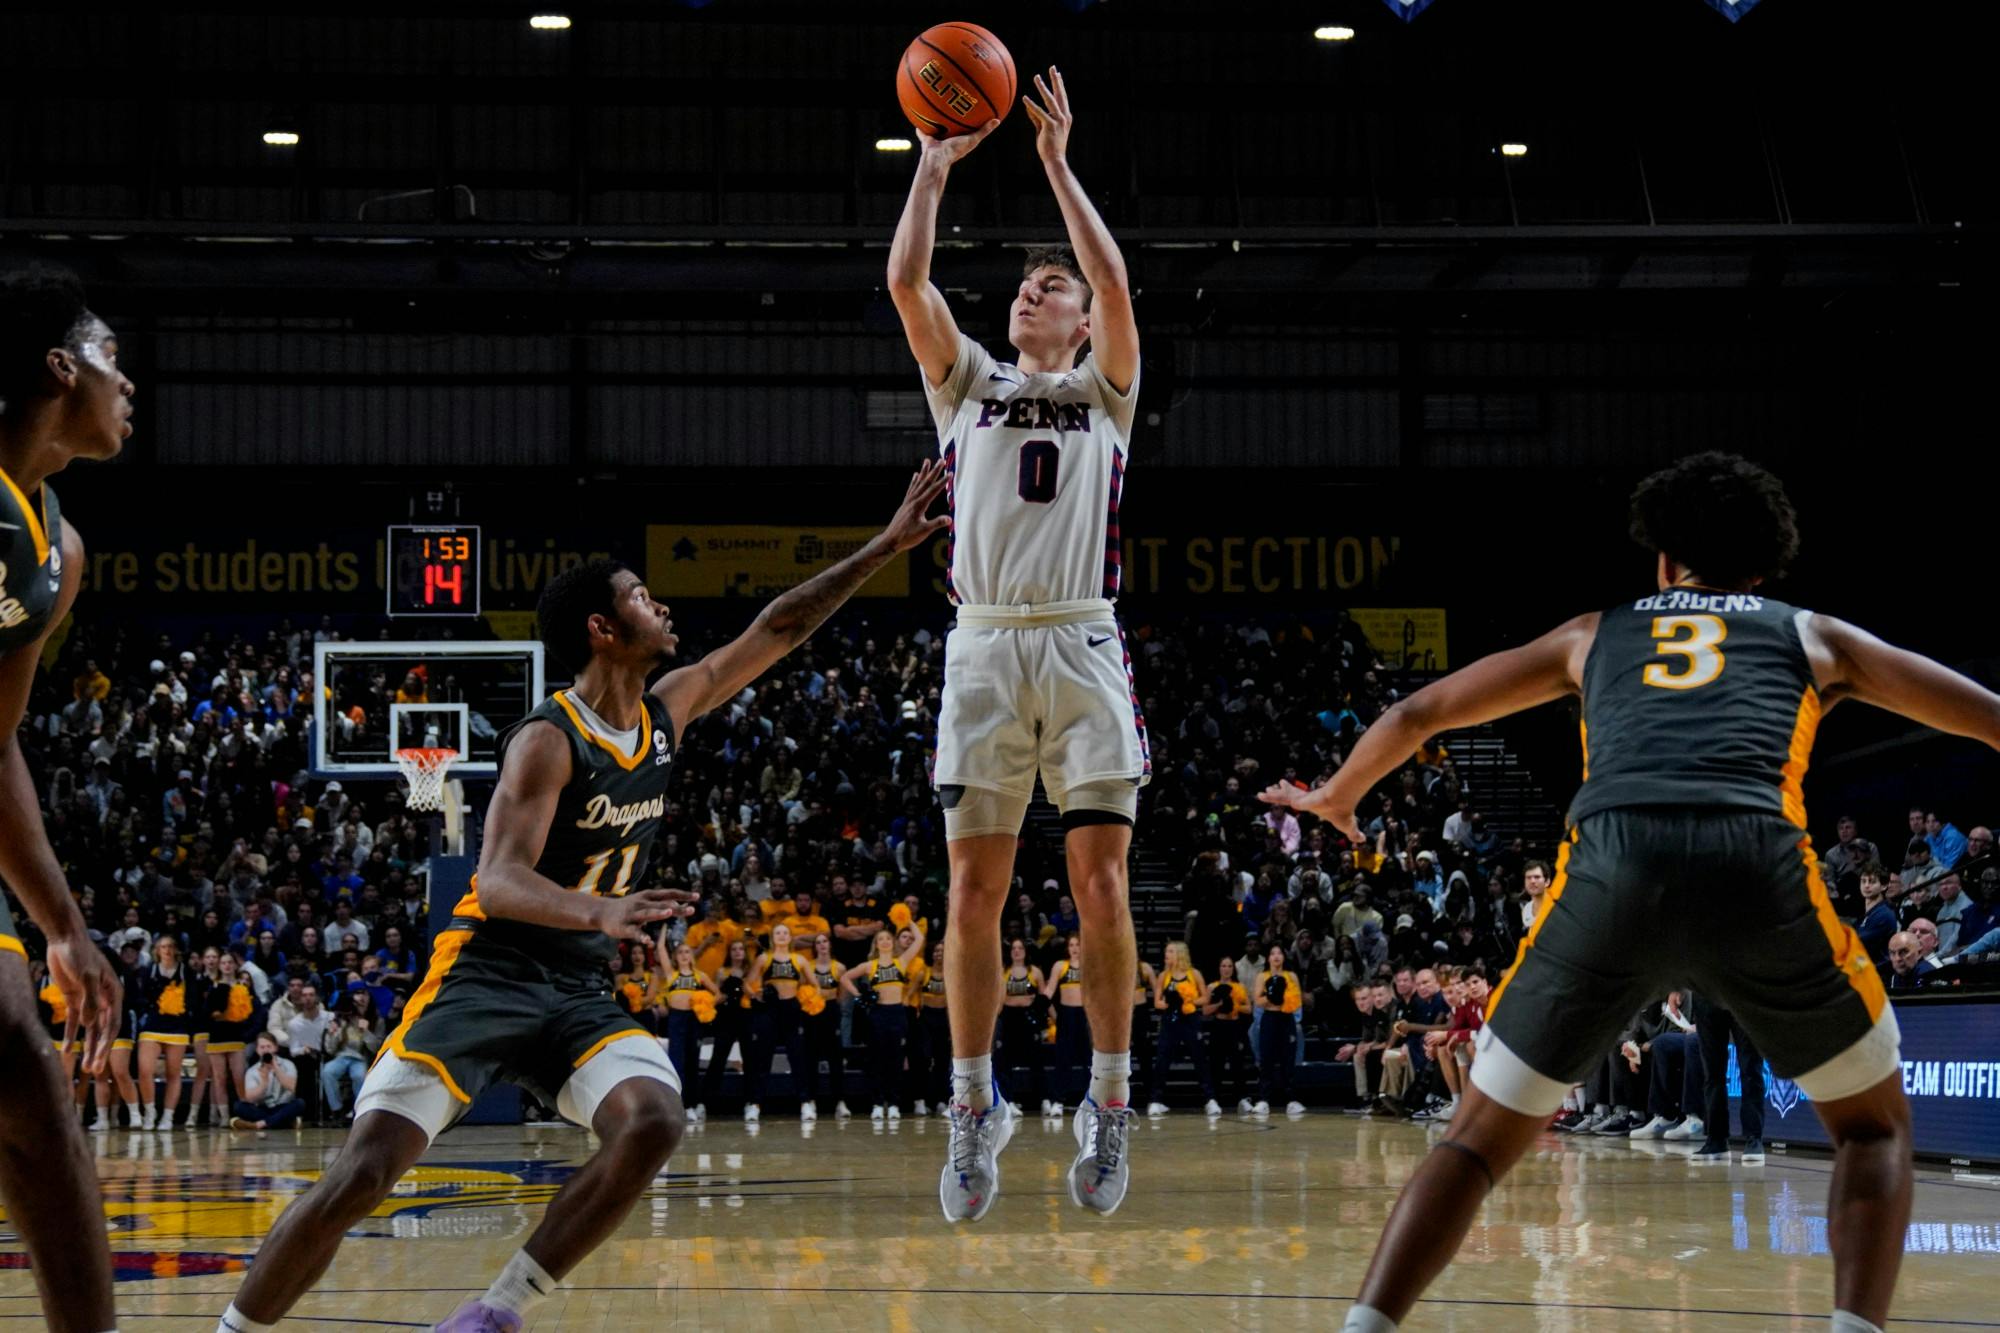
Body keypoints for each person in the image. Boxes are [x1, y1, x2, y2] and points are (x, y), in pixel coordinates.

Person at [1262, 453, 1985, 1333]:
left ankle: (1364, 1327)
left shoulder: (1591, 633)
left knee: (1476, 1140)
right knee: (1873, 1132)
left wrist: (1337, 795)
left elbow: (1422, 713)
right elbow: (1982, 713)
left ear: (1663, 558)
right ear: (1762, 567)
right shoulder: (1814, 634)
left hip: (1615, 862)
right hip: (1753, 863)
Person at [214, 466, 945, 1333]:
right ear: (604, 628)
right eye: (642, 595)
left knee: (653, 1120)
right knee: (365, 1172)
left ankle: (495, 1311)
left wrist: (881, 549)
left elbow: (777, 627)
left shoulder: (667, 711)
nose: (660, 604)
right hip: (486, 974)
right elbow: (496, 881)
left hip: (577, 992)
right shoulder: (546, 738)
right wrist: (600, 910)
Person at [891, 67, 1147, 1224]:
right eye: (1023, 284)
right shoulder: (968, 387)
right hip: (984, 646)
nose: (1029, 291)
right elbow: (904, 279)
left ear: (1081, 320)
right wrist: (931, 169)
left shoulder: (1106, 388)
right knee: (973, 889)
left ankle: (1106, 1101)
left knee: (1098, 883)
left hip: (1081, 643)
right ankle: (969, 1104)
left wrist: (1051, 159)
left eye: (1050, 286)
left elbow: (1114, 273)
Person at [0, 260, 128, 1330]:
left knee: (31, 1082)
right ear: (58, 368)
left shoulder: (58, 548)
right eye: (111, 359)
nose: (127, 384)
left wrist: (65, 928)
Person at [840, 915, 928, 1121]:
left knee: (896, 1061)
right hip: (878, 1015)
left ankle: (894, 1102)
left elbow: (919, 939)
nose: (885, 942)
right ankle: (878, 1103)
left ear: (893, 942)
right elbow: (844, 977)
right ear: (876, 944)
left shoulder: (901, 962)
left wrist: (907, 920)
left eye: (888, 939)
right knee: (877, 1061)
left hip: (897, 1014)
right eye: (881, 940)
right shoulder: (869, 966)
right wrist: (859, 995)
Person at [743, 922, 811, 1124]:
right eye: (778, 932)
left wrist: (804, 995)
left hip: (791, 1010)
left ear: (790, 937)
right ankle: (755, 1105)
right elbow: (747, 982)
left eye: (785, 933)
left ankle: (806, 1102)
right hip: (770, 1011)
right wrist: (756, 995)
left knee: (798, 1058)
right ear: (773, 938)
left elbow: (813, 984)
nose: (782, 936)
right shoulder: (764, 958)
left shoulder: (799, 959)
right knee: (763, 1060)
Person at [1146, 942, 1218, 1117]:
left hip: (1190, 1020)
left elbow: (1205, 998)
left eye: (1170, 951)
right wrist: (1170, 1004)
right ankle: (1156, 1100)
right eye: (1166, 951)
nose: (1166, 954)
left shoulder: (1193, 974)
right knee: (1162, 1058)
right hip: (1170, 1020)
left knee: (1199, 1058)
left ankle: (1210, 1100)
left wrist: (1188, 1002)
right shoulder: (1164, 976)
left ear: (1180, 954)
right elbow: (1157, 1002)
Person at [135, 935, 195, 1131]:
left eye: (170, 946)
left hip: (177, 1027)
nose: (166, 950)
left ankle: (168, 1116)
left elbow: (193, 998)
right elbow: (141, 996)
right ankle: (150, 1111)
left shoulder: (186, 972)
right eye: (162, 947)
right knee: (145, 1071)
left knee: (173, 1073)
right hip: (153, 1024)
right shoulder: (148, 971)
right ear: (157, 950)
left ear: (175, 949)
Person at [656, 941, 719, 1125]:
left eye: (687, 952)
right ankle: (678, 1105)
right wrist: (663, 929)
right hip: (676, 1020)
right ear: (675, 957)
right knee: (677, 1063)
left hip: (694, 1020)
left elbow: (717, 993)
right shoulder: (671, 974)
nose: (684, 955)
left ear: (692, 956)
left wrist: (705, 1004)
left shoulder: (700, 976)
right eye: (680, 952)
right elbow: (660, 949)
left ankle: (691, 1105)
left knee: (692, 1062)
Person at [700, 937, 755, 1118]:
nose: (738, 952)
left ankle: (750, 1102)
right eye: (734, 949)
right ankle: (705, 1103)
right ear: (729, 953)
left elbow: (754, 995)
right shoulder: (721, 971)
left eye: (741, 949)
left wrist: (741, 984)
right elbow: (718, 998)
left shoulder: (750, 971)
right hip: (726, 1018)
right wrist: (727, 987)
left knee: (750, 1059)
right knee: (718, 1058)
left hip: (746, 1017)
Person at [994, 938, 1048, 1117]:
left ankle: (1044, 1099)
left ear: (1026, 951)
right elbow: (998, 1001)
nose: (1017, 951)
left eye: (1020, 948)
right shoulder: (1003, 972)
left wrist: (1049, 1021)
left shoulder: (1035, 972)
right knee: (1004, 1061)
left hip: (1028, 1017)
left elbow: (1043, 999)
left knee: (1037, 1059)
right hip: (1008, 1018)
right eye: (1014, 948)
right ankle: (1008, 1101)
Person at [802, 933, 851, 1120]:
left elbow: (843, 995)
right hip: (812, 1013)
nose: (822, 945)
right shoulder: (808, 966)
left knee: (835, 1059)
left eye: (825, 941)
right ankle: (811, 1101)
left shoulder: (839, 967)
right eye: (818, 942)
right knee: (811, 1057)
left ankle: (840, 1102)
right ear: (815, 946)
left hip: (831, 1011)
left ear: (830, 945)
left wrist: (831, 1005)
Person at [1251, 945, 1304, 1116]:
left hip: (1286, 1019)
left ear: (1283, 957)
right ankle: (1264, 1099)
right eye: (1272, 953)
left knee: (1288, 1059)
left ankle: (1291, 1100)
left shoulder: (1291, 976)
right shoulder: (1262, 976)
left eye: (1279, 953)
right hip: (1269, 1018)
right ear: (1268, 958)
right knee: (1267, 1059)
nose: (1276, 956)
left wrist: (1282, 998)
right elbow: (1258, 1001)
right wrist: (1271, 996)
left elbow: (1297, 1001)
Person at [1042, 934, 1091, 1115]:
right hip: (1066, 1015)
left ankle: (1092, 1100)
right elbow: (1049, 991)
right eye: (1071, 945)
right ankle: (1058, 1101)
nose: (1075, 948)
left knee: (1089, 1060)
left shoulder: (1089, 965)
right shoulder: (1060, 966)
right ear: (1067, 948)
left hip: (1085, 1016)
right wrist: (1044, 1004)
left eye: (1078, 944)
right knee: (1063, 1060)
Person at [1201, 953, 1256, 1114]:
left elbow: (1248, 1008)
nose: (1226, 969)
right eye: (1223, 966)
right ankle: (1213, 1101)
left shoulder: (1239, 987)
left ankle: (1242, 1099)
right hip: (1218, 1027)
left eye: (1229, 966)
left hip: (1235, 1027)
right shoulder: (1212, 987)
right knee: (1216, 1065)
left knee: (1237, 1065)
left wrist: (1234, 1005)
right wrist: (1220, 1003)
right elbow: (1205, 1010)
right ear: (1219, 968)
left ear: (1233, 969)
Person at [320, 989, 383, 1124]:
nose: (360, 1001)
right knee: (327, 1071)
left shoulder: (377, 1020)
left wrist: (366, 1032)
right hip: (341, 1056)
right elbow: (330, 1050)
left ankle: (359, 1110)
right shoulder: (341, 1019)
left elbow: (376, 1048)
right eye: (357, 997)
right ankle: (337, 1110)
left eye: (364, 995)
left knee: (359, 1076)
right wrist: (333, 1034)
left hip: (361, 1059)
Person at [205, 949, 256, 1111]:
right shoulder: (213, 986)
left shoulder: (242, 986)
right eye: (224, 963)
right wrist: (225, 1015)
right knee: (219, 1078)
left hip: (236, 1036)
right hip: (217, 1036)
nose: (227, 966)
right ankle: (224, 1115)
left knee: (239, 1077)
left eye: (230, 962)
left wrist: (229, 1015)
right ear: (220, 966)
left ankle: (245, 1110)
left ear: (235, 965)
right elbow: (209, 1013)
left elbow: (248, 1012)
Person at [230, 1032, 306, 1132]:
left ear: (275, 1048)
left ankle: (259, 1124)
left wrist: (276, 1069)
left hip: (282, 1106)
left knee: (299, 1103)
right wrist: (264, 1083)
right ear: (257, 1050)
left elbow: (292, 1087)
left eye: (268, 1046)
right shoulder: (252, 1071)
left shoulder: (288, 1064)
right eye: (262, 1047)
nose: (266, 1050)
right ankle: (284, 1122)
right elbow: (249, 1097)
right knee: (239, 1106)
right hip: (262, 1107)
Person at [913, 941, 951, 1116]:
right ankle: (920, 1100)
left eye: (943, 950)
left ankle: (942, 1101)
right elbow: (910, 995)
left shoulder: (951, 975)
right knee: (923, 1059)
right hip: (926, 1018)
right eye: (936, 950)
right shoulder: (924, 973)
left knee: (942, 1061)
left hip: (944, 1018)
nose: (939, 953)